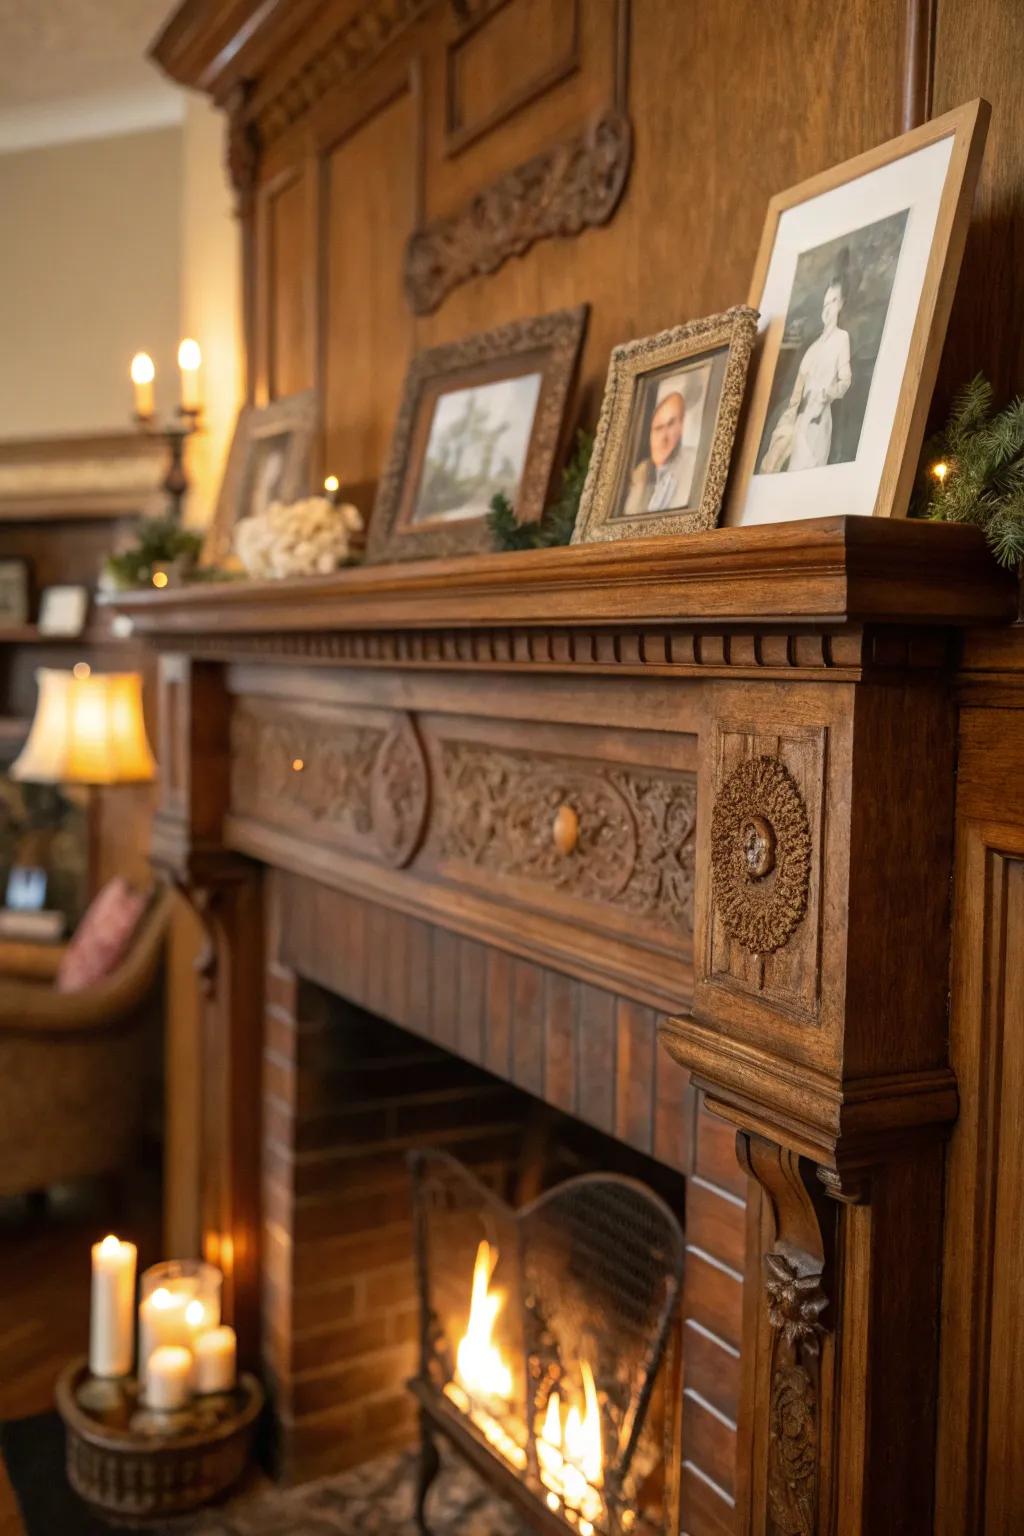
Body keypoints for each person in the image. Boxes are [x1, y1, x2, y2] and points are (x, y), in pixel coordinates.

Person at [759, 264, 853, 473]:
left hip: (817, 423)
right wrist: (788, 420)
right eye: (825, 303)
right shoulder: (813, 347)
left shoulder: (841, 338)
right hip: (800, 421)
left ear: (842, 304)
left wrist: (825, 394)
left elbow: (845, 381)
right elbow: (797, 393)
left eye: (834, 301)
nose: (828, 308)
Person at [623, 386, 697, 516]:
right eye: (658, 428)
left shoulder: (693, 463)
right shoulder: (641, 473)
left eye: (671, 425)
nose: (663, 437)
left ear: (682, 427)